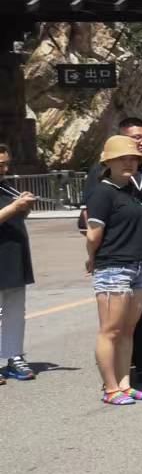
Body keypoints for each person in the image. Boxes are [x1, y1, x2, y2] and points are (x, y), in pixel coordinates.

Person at [85, 135, 142, 404]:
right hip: (113, 266)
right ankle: (110, 387)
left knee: (128, 330)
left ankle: (125, 384)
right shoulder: (102, 192)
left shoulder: (131, 190)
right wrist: (91, 258)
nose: (129, 163)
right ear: (108, 162)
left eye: (133, 159)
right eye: (122, 159)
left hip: (138, 266)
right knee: (111, 330)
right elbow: (93, 234)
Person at [0, 142, 36, 382]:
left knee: (15, 311)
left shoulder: (5, 186)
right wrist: (15, 207)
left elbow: (15, 215)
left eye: (6, 164)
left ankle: (14, 356)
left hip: (13, 256)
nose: (4, 169)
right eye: (0, 165)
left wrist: (24, 206)